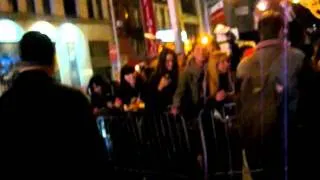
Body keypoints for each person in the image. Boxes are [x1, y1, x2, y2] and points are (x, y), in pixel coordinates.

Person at [0, 32, 107, 177]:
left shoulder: (5, 103)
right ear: (53, 62)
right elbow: (95, 154)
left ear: (20, 62)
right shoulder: (73, 100)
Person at [237, 11, 304, 180]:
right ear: (282, 31)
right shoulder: (296, 58)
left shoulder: (243, 66)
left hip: (255, 144)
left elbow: (240, 104)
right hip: (290, 142)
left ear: (260, 33)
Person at [171, 43, 210, 120]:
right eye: (198, 50)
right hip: (195, 110)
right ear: (193, 53)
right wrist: (176, 106)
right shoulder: (186, 73)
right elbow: (179, 91)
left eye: (203, 49)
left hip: (208, 106)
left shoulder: (210, 69)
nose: (201, 52)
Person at [148, 48, 179, 112]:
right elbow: (150, 101)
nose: (171, 64)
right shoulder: (155, 77)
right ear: (162, 62)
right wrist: (160, 87)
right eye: (167, 61)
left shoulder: (176, 75)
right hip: (160, 116)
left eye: (172, 61)